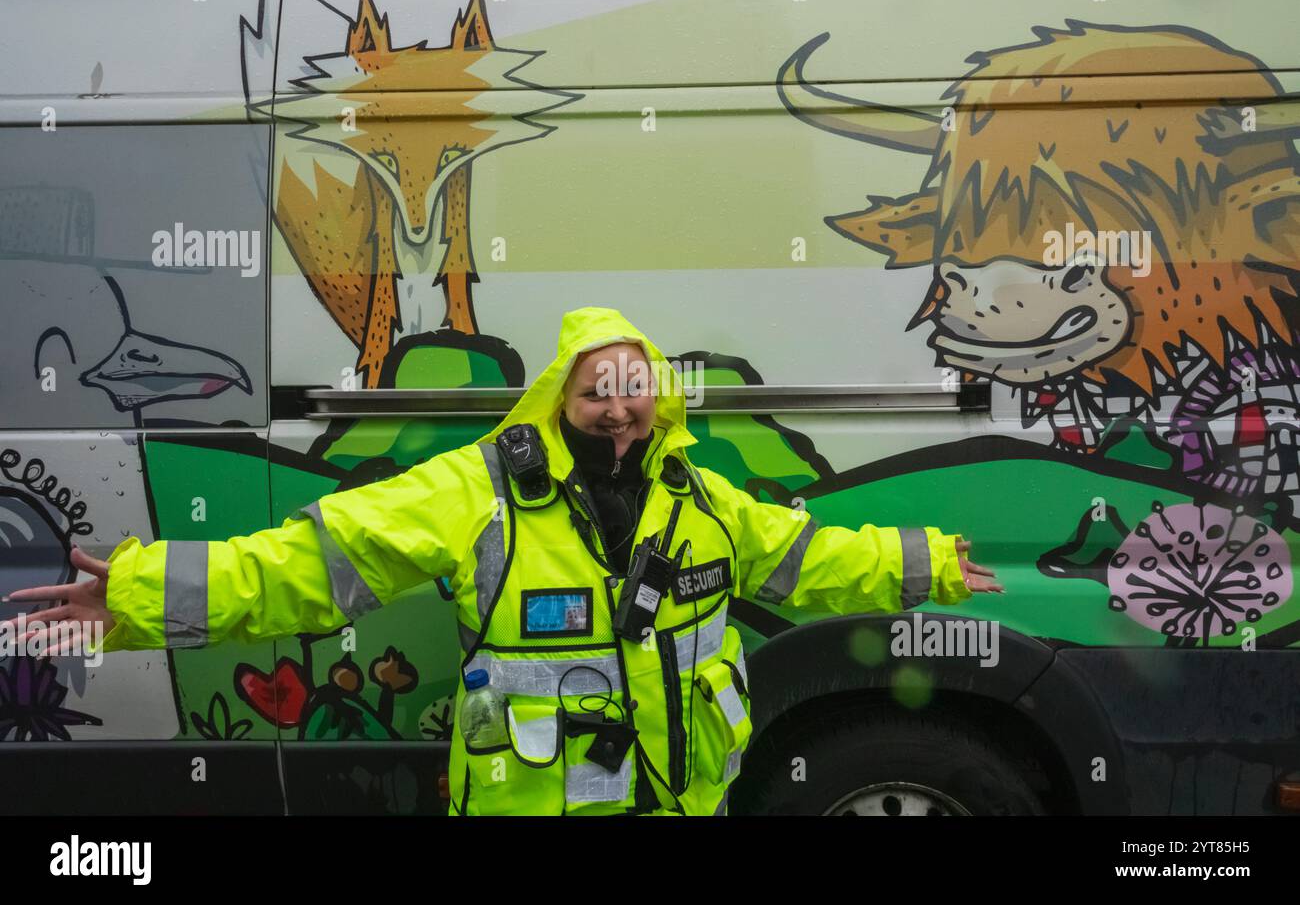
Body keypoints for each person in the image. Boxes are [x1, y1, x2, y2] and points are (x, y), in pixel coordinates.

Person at [3, 306, 1002, 816]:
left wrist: (933, 560)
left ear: (659, 397)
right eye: (595, 389)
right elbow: (310, 562)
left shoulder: (701, 500)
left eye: (633, 387)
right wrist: (134, 592)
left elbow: (807, 558)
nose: (617, 407)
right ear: (559, 398)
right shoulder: (474, 493)